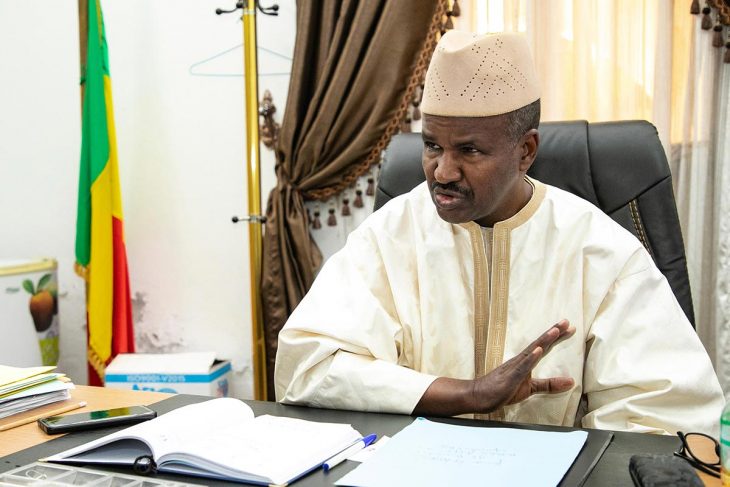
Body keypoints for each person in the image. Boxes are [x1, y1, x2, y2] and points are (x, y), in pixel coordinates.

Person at [274, 31, 725, 435]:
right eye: (432, 145)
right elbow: (306, 368)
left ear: (525, 150)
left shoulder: (600, 248)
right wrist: (467, 394)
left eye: (469, 150)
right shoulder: (391, 233)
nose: (442, 172)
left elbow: (664, 412)